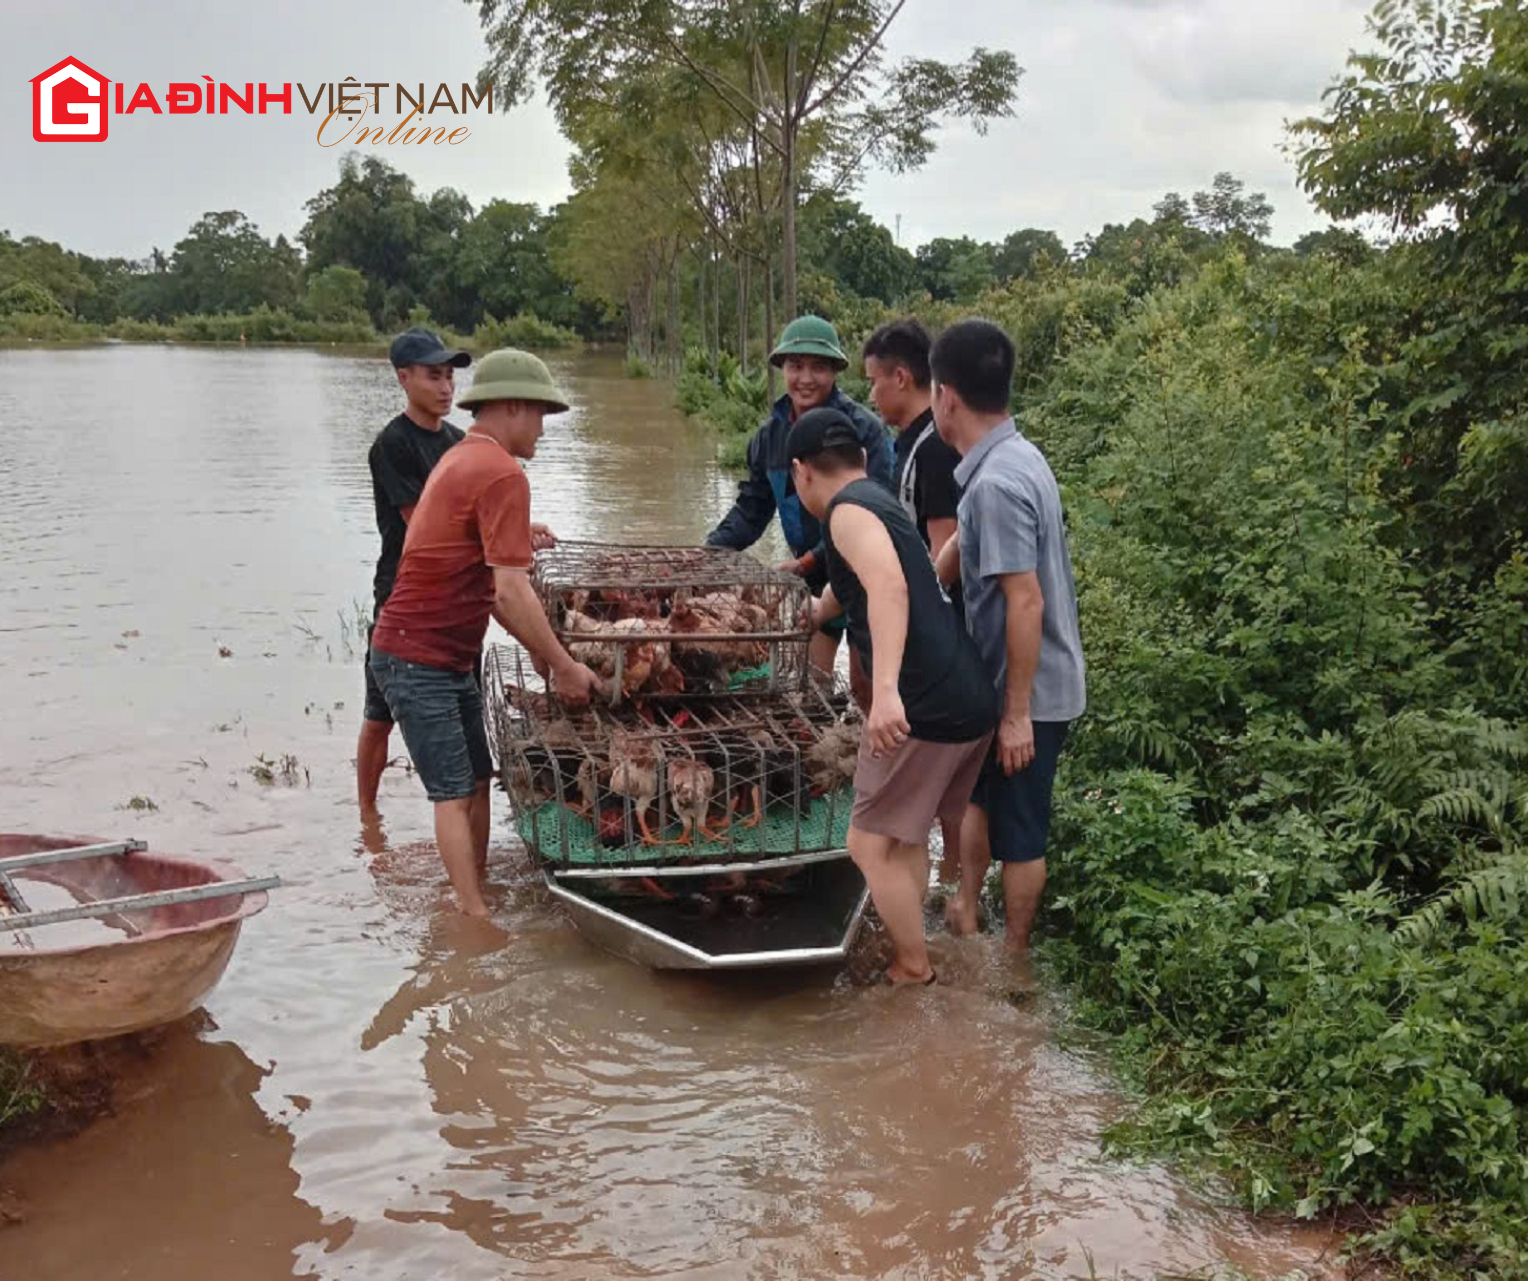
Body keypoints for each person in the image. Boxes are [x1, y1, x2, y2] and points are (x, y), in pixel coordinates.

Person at [368, 349, 604, 916]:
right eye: (541, 416)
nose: (543, 431)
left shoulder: (462, 456)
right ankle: (472, 919)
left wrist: (544, 654)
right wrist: (565, 666)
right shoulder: (501, 471)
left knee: (476, 780)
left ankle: (476, 893)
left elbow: (486, 585)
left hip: (440, 654)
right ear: (514, 406)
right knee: (452, 793)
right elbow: (509, 591)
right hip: (416, 656)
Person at [792, 406, 998, 986]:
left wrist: (884, 693)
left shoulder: (845, 513)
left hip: (922, 705)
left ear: (801, 471)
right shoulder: (875, 499)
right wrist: (817, 612)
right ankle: (920, 944)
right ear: (860, 458)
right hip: (968, 698)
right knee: (901, 837)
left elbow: (885, 584)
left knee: (865, 843)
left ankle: (914, 967)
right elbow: (858, 575)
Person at [931, 320, 1086, 952]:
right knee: (979, 800)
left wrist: (1017, 716)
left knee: (1021, 833)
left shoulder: (994, 482)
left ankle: (1014, 960)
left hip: (1032, 693)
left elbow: (1026, 601)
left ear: (946, 396)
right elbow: (973, 542)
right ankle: (968, 911)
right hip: (1000, 687)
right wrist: (931, 577)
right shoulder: (1012, 457)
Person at [705, 315, 893, 696]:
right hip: (814, 583)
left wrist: (807, 561)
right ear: (781, 369)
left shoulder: (864, 431)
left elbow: (878, 516)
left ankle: (873, 751)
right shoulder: (769, 437)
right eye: (795, 366)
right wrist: (708, 551)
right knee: (811, 688)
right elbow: (751, 510)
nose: (805, 378)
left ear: (836, 371)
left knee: (866, 685)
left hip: (866, 578)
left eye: (818, 367)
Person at [862, 317, 968, 883]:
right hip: (927, 637)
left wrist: (914, 638)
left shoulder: (933, 450)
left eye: (874, 381)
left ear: (902, 377)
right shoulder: (910, 444)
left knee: (939, 773)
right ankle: (944, 881)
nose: (872, 394)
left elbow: (942, 552)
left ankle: (946, 881)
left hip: (936, 642)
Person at [358, 327, 471, 818]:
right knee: (378, 717)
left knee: (459, 718)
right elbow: (423, 523)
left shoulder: (461, 443)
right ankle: (368, 818)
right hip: (402, 598)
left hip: (454, 599)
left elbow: (477, 512)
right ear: (403, 378)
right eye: (433, 376)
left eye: (449, 377)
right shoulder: (393, 445)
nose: (446, 388)